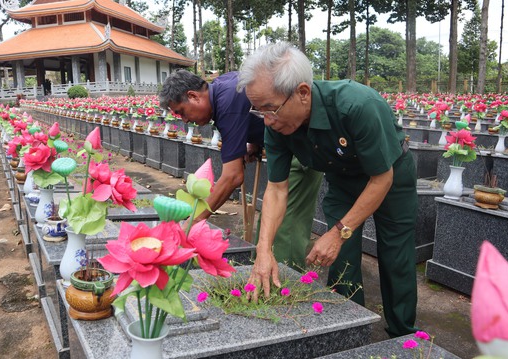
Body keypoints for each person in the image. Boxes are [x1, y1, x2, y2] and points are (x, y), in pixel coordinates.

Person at [238, 42, 418, 337]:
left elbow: (380, 180)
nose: (267, 120)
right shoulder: (277, 124)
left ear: (303, 93)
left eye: (270, 109)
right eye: (259, 112)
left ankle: (403, 333)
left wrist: (338, 231)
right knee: (340, 259)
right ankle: (347, 328)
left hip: (390, 175)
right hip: (343, 180)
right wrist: (264, 249)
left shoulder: (358, 105)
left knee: (395, 255)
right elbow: (276, 189)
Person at [158, 70, 323, 270]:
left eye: (182, 111)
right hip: (286, 148)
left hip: (300, 152)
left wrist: (194, 221)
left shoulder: (226, 103)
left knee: (283, 228)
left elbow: (233, 176)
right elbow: (252, 113)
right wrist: (254, 141)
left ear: (193, 96)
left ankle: (286, 290)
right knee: (268, 228)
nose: (183, 120)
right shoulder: (222, 87)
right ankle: (264, 278)